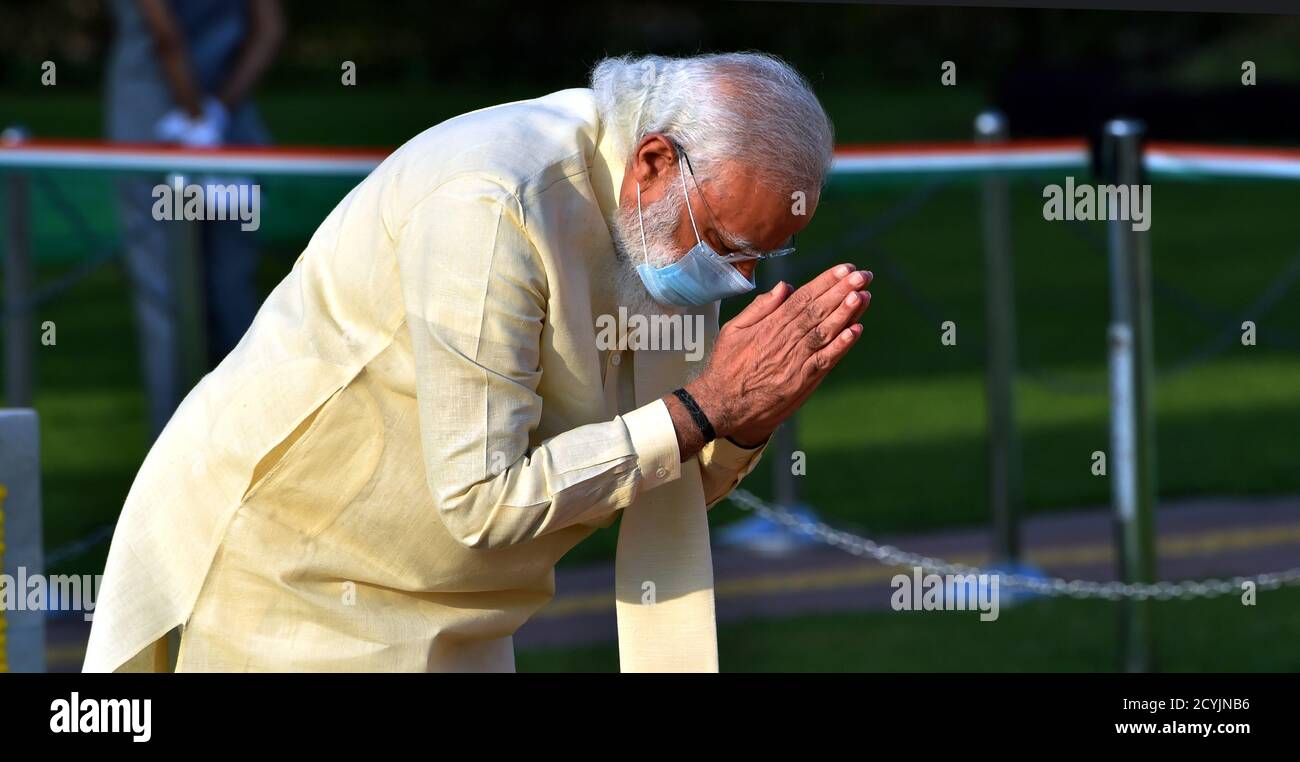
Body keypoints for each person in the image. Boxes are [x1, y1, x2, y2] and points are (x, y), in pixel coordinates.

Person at [84, 52, 871, 673]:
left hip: (466, 609)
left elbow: (652, 474)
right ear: (655, 162)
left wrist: (741, 423)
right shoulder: (494, 200)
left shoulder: (669, 219)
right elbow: (485, 499)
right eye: (731, 248)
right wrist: (706, 409)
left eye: (763, 257)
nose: (735, 281)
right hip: (298, 583)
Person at [105, 0, 284, 437]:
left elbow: (165, 34)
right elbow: (269, 29)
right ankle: (244, 446)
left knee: (166, 302)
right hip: (228, 136)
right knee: (232, 296)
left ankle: (176, 463)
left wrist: (196, 118)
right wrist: (217, 114)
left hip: (155, 136)